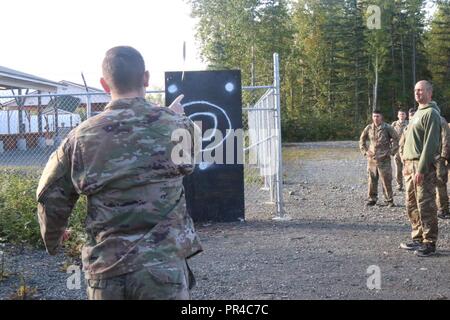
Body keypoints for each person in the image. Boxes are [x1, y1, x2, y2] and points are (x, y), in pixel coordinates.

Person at [36, 46, 202, 299]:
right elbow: (191, 156)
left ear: (104, 84)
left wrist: (53, 240)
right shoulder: (177, 125)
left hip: (106, 269)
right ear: (145, 78)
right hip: (163, 268)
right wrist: (174, 116)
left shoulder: (80, 136)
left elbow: (50, 194)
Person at [400, 80, 441, 257]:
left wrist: (422, 169)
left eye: (421, 90)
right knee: (412, 204)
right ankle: (418, 238)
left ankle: (429, 242)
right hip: (409, 165)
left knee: (425, 204)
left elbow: (430, 144)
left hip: (420, 166)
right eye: (416, 90)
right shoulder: (417, 112)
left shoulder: (431, 112)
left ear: (429, 93)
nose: (417, 93)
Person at [359, 110, 399, 207]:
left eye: (377, 116)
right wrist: (365, 152)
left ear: (381, 117)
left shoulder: (387, 127)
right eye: (374, 116)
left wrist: (392, 152)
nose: (375, 118)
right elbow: (362, 140)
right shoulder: (369, 128)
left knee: (386, 180)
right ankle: (372, 199)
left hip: (384, 159)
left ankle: (389, 200)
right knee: (371, 179)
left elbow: (397, 139)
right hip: (372, 159)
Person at [436, 116, 450, 219]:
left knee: (440, 183)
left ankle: (443, 209)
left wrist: (443, 156)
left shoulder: (441, 121)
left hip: (439, 158)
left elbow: (446, 139)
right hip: (427, 157)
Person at [391, 110, 409, 191]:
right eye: (400, 114)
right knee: (398, 169)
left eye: (403, 114)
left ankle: (408, 185)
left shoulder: (409, 124)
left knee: (407, 168)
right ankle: (399, 185)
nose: (401, 115)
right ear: (398, 115)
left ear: (406, 115)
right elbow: (388, 135)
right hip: (396, 150)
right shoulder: (394, 124)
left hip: (406, 150)